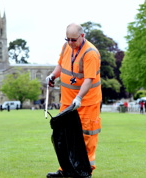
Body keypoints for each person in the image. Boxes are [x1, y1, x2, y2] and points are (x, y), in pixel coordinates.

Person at [46, 23, 102, 177]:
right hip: (67, 101)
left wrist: (79, 97)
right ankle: (66, 170)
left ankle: (85, 171)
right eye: (67, 39)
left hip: (87, 103)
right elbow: (60, 65)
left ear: (82, 36)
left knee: (86, 137)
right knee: (64, 136)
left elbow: (89, 79)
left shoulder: (90, 53)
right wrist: (53, 76)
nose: (70, 42)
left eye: (73, 40)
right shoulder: (66, 47)